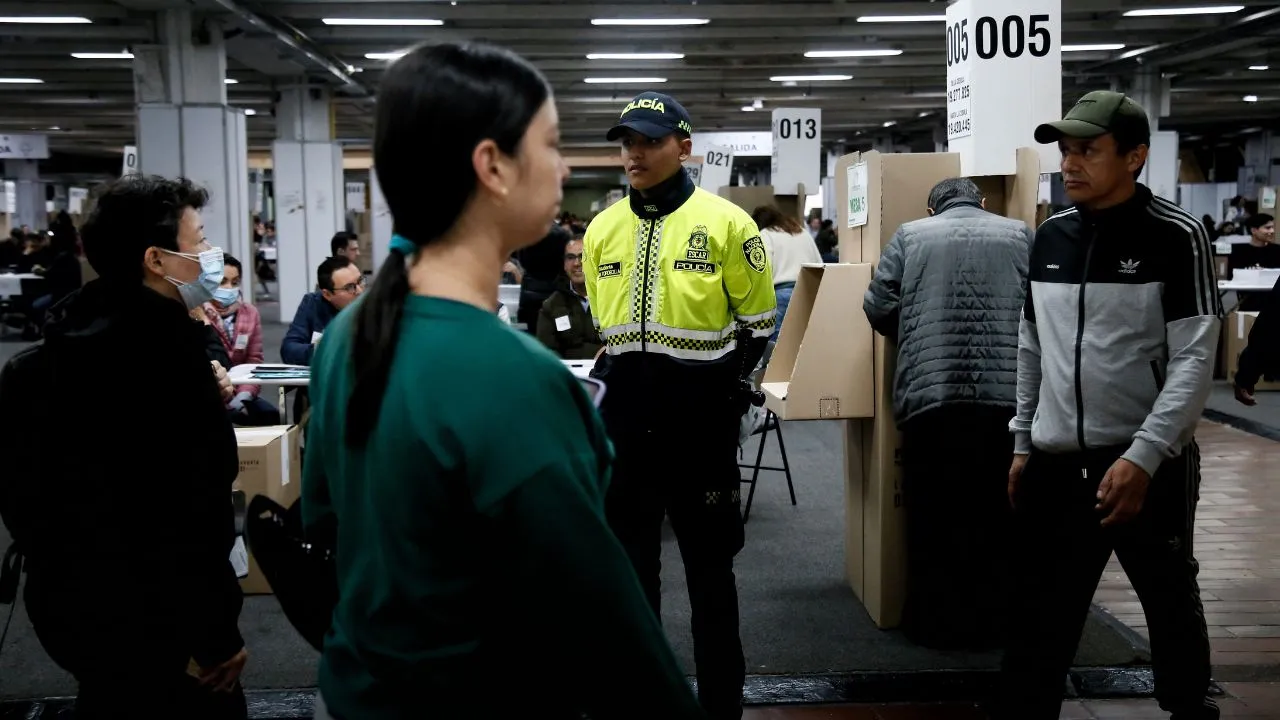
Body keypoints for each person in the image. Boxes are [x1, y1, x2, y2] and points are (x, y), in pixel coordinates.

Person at [300, 42, 704, 720]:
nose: (566, 165)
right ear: (492, 166)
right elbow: (606, 621)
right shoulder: (515, 379)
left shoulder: (349, 335)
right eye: (549, 144)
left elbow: (323, 524)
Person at [999, 90, 1221, 720]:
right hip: (1055, 462)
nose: (1070, 164)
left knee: (1170, 599)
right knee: (1041, 615)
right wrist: (1023, 442)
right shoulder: (1050, 237)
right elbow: (1032, 346)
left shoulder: (1178, 237)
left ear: (1135, 157)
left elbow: (1194, 359)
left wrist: (1144, 457)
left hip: (1145, 468)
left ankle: (1187, 708)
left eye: (1088, 151)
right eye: (1066, 151)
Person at [10, 175, 247, 719]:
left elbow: (23, 496)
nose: (211, 256)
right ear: (156, 260)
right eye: (200, 241)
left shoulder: (53, 351)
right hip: (163, 625)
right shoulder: (168, 364)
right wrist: (215, 635)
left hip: (72, 610)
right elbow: (188, 515)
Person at [584, 90, 776, 720]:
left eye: (648, 141)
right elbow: (603, 336)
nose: (633, 153)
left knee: (711, 578)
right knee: (632, 582)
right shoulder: (601, 230)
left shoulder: (727, 224)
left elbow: (757, 328)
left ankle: (722, 706)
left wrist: (722, 402)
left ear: (683, 146)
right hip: (624, 434)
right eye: (626, 141)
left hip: (699, 434)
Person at [863, 178, 1031, 650]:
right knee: (999, 513)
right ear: (982, 202)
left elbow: (877, 305)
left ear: (931, 207)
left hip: (930, 396)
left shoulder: (911, 234)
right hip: (1007, 399)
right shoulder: (1020, 233)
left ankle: (935, 625)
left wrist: (915, 330)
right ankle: (996, 625)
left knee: (934, 513)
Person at [205, 254, 280, 426]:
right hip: (211, 395)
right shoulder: (199, 314)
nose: (229, 287)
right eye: (222, 281)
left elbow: (254, 360)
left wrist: (244, 395)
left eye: (235, 282)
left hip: (241, 393)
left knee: (272, 417)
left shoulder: (249, 312)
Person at [751, 205, 822, 341]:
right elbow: (819, 262)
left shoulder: (765, 234)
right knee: (803, 343)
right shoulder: (802, 232)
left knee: (777, 348)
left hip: (781, 295)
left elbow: (763, 271)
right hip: (809, 292)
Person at [280, 255, 363, 366]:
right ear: (327, 294)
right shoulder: (313, 304)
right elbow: (289, 350)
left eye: (360, 281)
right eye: (349, 287)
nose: (360, 291)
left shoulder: (374, 304)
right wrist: (324, 349)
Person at [536, 234, 603, 359]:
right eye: (570, 257)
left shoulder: (611, 299)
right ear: (564, 264)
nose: (577, 263)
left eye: (583, 256)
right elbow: (545, 352)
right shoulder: (551, 305)